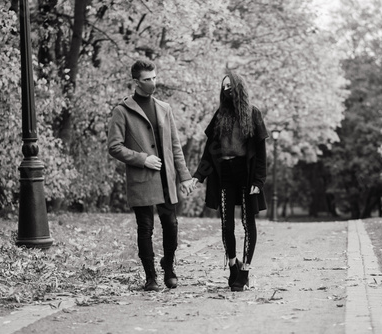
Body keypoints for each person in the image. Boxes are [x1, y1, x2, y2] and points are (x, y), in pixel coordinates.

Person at [108, 58, 194, 291]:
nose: (152, 83)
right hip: (142, 179)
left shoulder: (164, 108)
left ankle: (169, 269)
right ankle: (151, 277)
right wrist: (142, 158)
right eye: (147, 80)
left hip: (167, 178)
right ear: (136, 82)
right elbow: (114, 147)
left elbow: (175, 146)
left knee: (171, 224)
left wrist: (184, 176)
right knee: (145, 228)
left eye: (155, 78)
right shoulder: (122, 111)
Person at [191, 71, 268, 292]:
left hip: (245, 173)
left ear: (239, 88)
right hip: (224, 173)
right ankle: (233, 266)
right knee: (226, 224)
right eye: (223, 86)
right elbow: (209, 151)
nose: (227, 90)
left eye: (230, 86)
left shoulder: (253, 115)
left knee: (247, 222)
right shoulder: (220, 116)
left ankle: (245, 273)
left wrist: (258, 181)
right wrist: (198, 176)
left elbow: (261, 154)